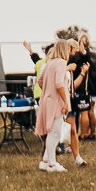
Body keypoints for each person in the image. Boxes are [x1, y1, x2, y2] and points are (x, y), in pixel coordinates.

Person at [34, 39, 74, 173]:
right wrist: (66, 102)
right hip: (56, 102)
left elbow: (40, 81)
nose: (69, 52)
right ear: (64, 49)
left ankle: (45, 160)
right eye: (68, 49)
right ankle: (52, 163)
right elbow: (59, 84)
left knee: (52, 132)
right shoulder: (62, 63)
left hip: (46, 100)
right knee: (55, 132)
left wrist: (47, 90)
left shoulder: (49, 63)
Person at [65, 34, 96, 166]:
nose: (74, 53)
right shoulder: (61, 64)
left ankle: (77, 157)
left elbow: (72, 86)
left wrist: (83, 72)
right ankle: (48, 158)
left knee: (72, 129)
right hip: (60, 102)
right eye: (74, 50)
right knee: (56, 131)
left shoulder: (73, 64)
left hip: (70, 100)